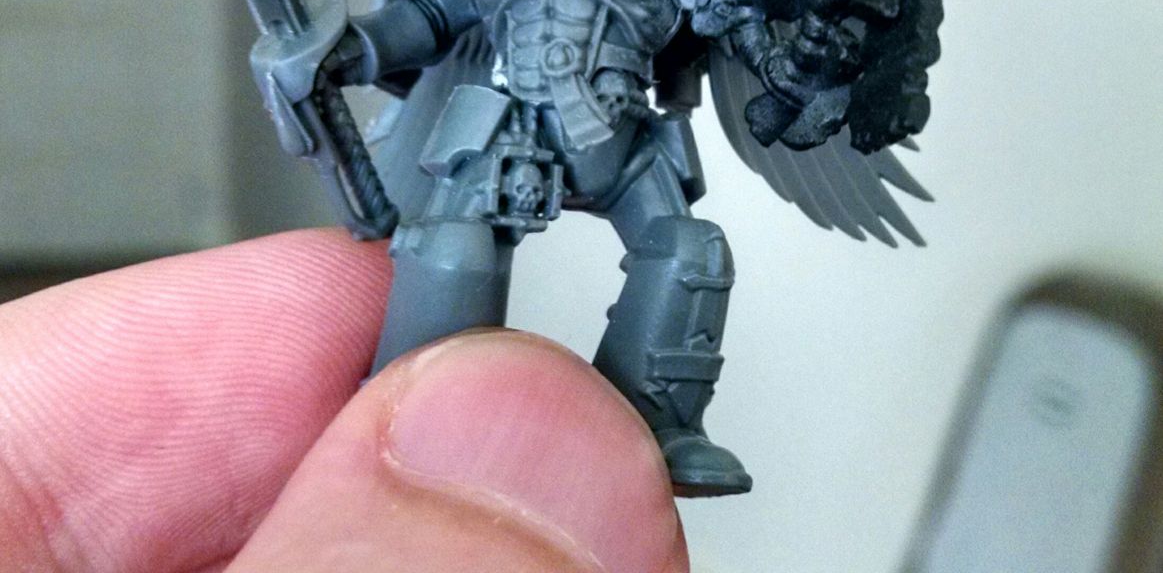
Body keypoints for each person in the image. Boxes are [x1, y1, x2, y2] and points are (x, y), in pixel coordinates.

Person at [0, 229, 688, 572]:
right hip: (490, 138)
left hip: (618, 139)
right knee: (454, 250)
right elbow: (422, 25)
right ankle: (417, 407)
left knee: (691, 251)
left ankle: (661, 421)